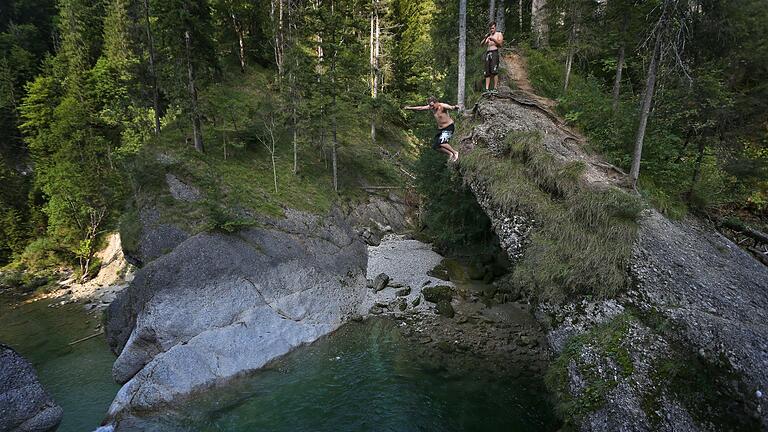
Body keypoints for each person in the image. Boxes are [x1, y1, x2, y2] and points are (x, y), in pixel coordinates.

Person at [403, 96, 460, 162]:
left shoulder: (442, 106)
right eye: (430, 106)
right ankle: (450, 153)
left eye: (433, 105)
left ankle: (455, 152)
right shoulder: (431, 107)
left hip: (449, 127)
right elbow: (420, 108)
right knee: (436, 146)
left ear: (437, 102)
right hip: (441, 130)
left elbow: (450, 107)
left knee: (442, 142)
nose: (432, 108)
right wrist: (409, 108)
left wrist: (455, 107)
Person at [481, 21, 503, 93]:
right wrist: (485, 38)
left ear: (495, 27)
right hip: (488, 53)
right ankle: (487, 89)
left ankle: (495, 88)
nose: (491, 30)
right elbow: (481, 45)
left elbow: (500, 44)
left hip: (494, 52)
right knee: (487, 72)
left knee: (494, 71)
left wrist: (493, 39)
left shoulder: (499, 34)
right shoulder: (489, 36)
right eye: (490, 28)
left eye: (493, 28)